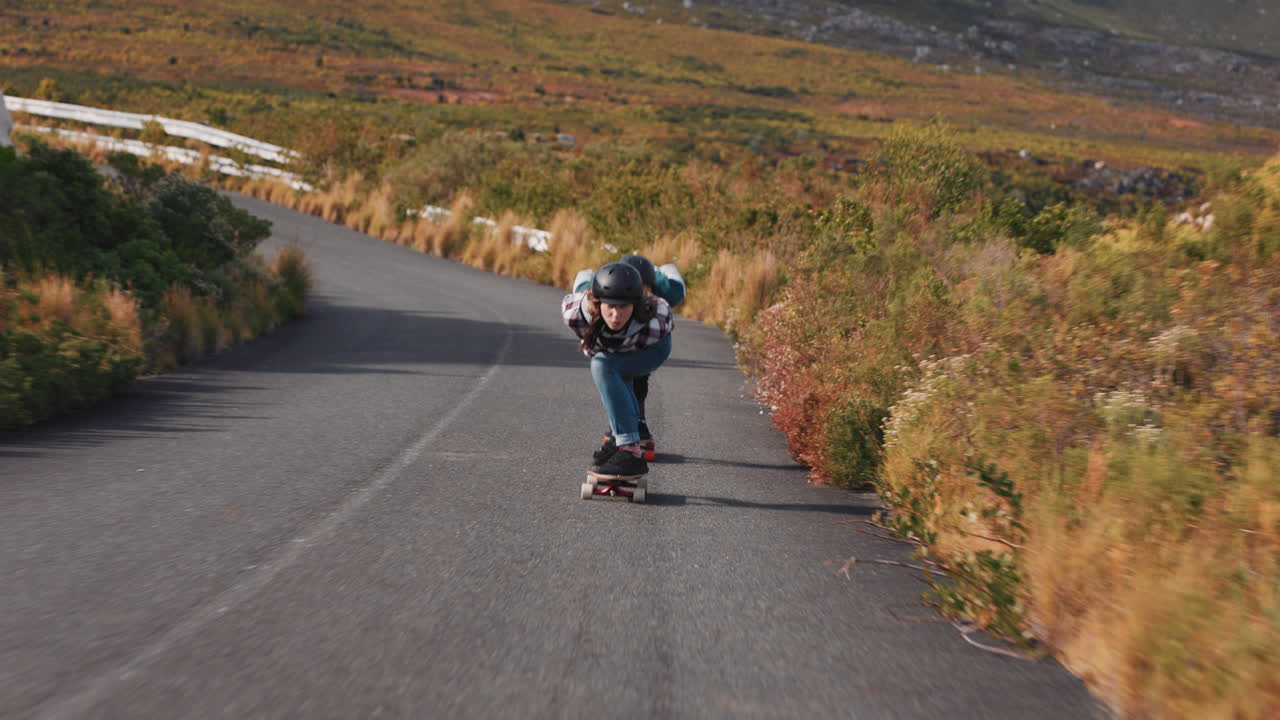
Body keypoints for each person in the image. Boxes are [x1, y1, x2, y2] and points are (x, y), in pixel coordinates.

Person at [562, 262, 674, 476]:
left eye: (623, 307)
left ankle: (629, 450)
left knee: (605, 366)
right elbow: (593, 349)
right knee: (607, 367)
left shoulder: (654, 319)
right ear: (598, 303)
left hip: (653, 348)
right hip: (613, 347)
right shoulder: (576, 314)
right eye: (610, 306)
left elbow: (625, 366)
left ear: (635, 305)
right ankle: (621, 439)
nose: (615, 315)